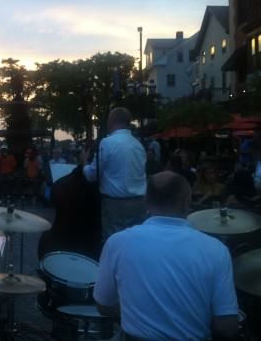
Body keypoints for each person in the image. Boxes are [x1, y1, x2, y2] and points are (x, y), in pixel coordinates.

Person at [94, 171, 239, 340]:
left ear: (146, 201)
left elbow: (103, 306)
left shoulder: (117, 243)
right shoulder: (217, 250)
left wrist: (138, 308)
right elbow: (227, 327)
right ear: (187, 202)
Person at [83, 108, 147, 239]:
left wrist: (84, 163)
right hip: (140, 203)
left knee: (114, 241)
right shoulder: (138, 145)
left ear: (111, 121)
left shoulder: (107, 143)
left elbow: (92, 176)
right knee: (135, 240)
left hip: (115, 205)